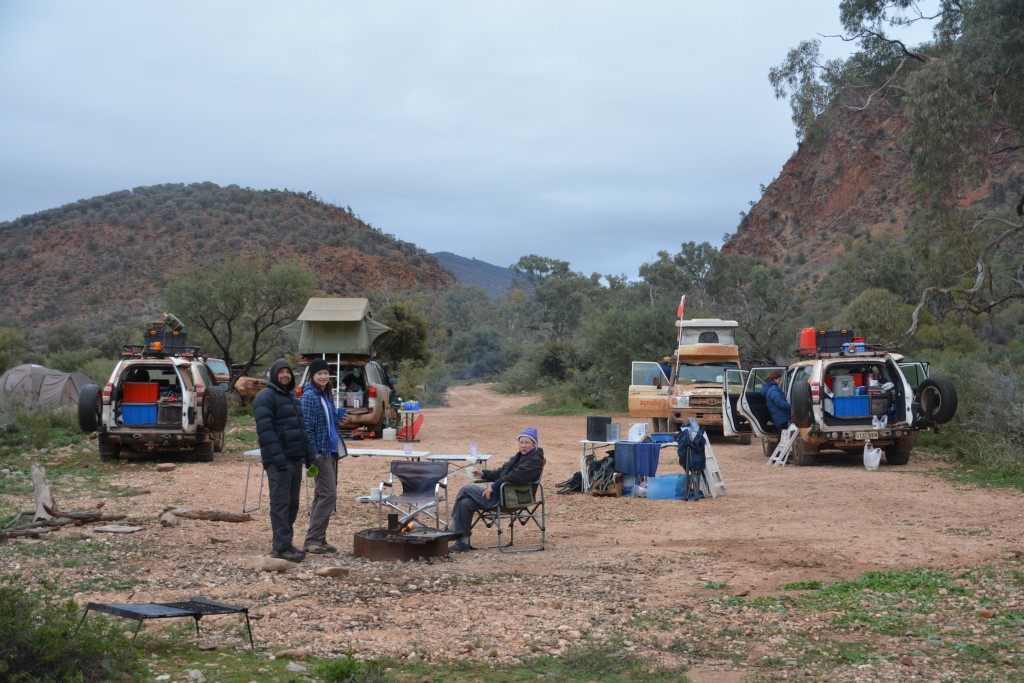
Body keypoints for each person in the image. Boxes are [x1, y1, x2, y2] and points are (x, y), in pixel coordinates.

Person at [254, 359, 316, 563]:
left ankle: (286, 544)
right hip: (279, 461)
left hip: (295, 458)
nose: (285, 375)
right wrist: (277, 458)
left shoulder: (292, 397)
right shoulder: (265, 397)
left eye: (287, 372)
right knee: (280, 504)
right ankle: (280, 548)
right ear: (273, 375)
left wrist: (310, 457)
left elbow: (301, 430)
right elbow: (266, 431)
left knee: (292, 504)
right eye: (280, 372)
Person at [446, 427, 546, 553]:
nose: (523, 446)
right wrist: (483, 474)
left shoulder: (534, 460)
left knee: (465, 489)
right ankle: (462, 543)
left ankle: (452, 530)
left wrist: (493, 486)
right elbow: (501, 473)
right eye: (521, 442)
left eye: (527, 443)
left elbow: (515, 477)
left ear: (534, 444)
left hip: (514, 497)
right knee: (466, 503)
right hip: (504, 494)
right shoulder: (519, 456)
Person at [300, 359, 341, 554]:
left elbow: (328, 423)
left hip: (331, 450)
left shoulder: (326, 394)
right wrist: (312, 452)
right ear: (312, 376)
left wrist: (339, 418)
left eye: (326, 373)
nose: (323, 376)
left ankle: (319, 538)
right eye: (319, 374)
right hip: (320, 453)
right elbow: (306, 427)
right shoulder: (309, 396)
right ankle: (312, 539)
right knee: (329, 495)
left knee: (320, 495)